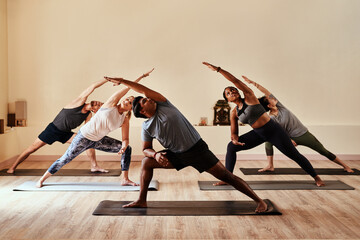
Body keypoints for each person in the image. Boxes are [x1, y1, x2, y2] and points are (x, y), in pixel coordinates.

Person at [104, 76, 268, 213]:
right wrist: (156, 154)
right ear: (142, 111)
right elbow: (145, 149)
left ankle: (259, 201)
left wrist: (123, 81)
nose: (149, 98)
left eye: (146, 98)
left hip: (197, 150)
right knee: (146, 162)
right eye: (145, 101)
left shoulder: (163, 104)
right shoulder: (147, 127)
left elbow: (143, 90)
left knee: (226, 176)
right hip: (177, 155)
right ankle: (141, 200)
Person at [202, 62, 324, 187]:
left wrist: (218, 69)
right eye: (228, 93)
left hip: (274, 131)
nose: (232, 92)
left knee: (294, 155)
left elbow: (235, 80)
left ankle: (316, 177)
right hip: (258, 134)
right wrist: (234, 139)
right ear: (228, 100)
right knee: (231, 147)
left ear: (238, 91)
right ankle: (228, 178)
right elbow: (234, 132)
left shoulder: (249, 96)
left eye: (233, 90)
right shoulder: (234, 113)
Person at [36, 69, 154, 188]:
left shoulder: (124, 120)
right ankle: (41, 179)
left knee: (127, 149)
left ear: (130, 109)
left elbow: (125, 138)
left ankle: (125, 179)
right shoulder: (111, 104)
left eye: (129, 103)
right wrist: (141, 76)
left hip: (98, 140)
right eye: (127, 99)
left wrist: (124, 146)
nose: (126, 100)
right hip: (83, 137)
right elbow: (127, 88)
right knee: (65, 159)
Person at [242, 77, 354, 173]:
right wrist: (289, 140)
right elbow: (278, 132)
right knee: (268, 140)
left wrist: (253, 83)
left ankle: (345, 166)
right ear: (269, 106)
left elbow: (267, 92)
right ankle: (270, 166)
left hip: (303, 134)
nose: (272, 98)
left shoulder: (280, 107)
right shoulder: (270, 119)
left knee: (322, 150)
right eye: (270, 99)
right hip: (288, 137)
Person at [7, 79, 108, 174]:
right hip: (52, 129)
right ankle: (13, 167)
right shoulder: (78, 102)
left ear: (95, 111)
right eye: (99, 103)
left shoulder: (88, 115)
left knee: (87, 141)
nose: (98, 103)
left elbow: (87, 130)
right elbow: (93, 86)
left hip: (65, 133)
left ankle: (94, 166)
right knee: (32, 149)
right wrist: (107, 79)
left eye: (99, 105)